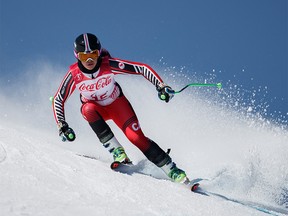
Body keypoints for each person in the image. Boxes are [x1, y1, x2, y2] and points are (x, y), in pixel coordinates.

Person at [52, 33, 188, 183]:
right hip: (97, 111)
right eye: (84, 57)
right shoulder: (74, 75)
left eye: (93, 54)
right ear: (77, 56)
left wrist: (160, 86)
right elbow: (59, 98)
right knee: (87, 109)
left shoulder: (108, 65)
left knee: (136, 138)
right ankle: (117, 150)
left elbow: (141, 68)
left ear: (99, 52)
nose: (89, 60)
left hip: (117, 106)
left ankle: (172, 170)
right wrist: (62, 125)